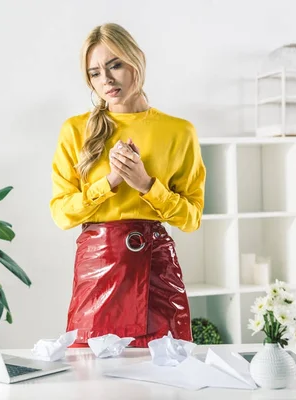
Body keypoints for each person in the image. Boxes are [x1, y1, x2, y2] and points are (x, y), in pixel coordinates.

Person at [50, 23, 206, 348]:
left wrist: (147, 184)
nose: (106, 80)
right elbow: (62, 214)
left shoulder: (179, 132)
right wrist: (109, 183)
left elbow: (191, 218)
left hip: (157, 272)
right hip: (96, 269)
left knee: (166, 374)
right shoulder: (76, 130)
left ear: (137, 61)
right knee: (91, 378)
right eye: (94, 73)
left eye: (115, 65)